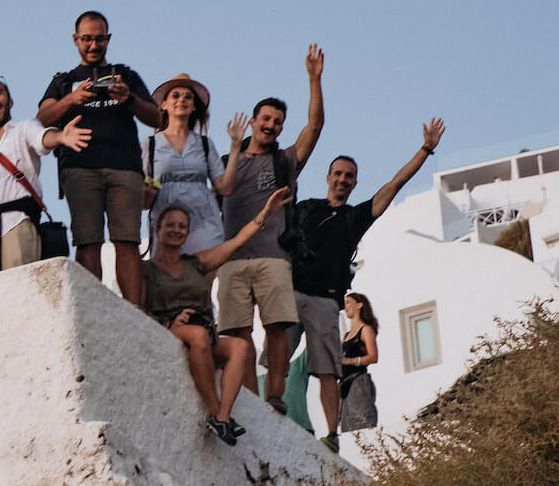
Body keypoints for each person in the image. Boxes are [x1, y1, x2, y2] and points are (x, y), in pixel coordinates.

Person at [286, 120, 445, 449]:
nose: (343, 179)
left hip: (325, 299)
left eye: (349, 176)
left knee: (327, 369)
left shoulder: (355, 217)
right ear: (328, 177)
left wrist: (426, 150)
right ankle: (266, 407)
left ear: (355, 183)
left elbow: (396, 183)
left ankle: (330, 435)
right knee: (276, 354)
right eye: (338, 173)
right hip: (291, 292)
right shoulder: (306, 209)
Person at [213, 44, 327, 415]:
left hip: (274, 257)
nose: (271, 125)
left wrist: (313, 79)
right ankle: (247, 397)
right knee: (237, 333)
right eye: (265, 118)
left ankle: (274, 397)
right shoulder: (228, 159)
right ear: (253, 121)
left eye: (277, 121)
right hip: (232, 258)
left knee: (277, 328)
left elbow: (315, 127)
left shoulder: (286, 161)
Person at [36, 11, 164, 305]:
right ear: (75, 40)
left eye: (99, 38)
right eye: (87, 39)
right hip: (79, 167)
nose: (93, 45)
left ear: (108, 38)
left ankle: (134, 312)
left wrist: (128, 98)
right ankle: (90, 309)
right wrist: (72, 98)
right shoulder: (63, 80)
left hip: (125, 168)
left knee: (127, 241)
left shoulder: (126, 75)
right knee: (87, 241)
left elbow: (157, 117)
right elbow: (41, 119)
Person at [144, 192, 291, 446]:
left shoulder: (195, 263)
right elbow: (138, 305)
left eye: (182, 226)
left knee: (240, 346)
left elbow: (236, 242)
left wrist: (264, 215)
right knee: (198, 336)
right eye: (170, 225)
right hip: (171, 326)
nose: (176, 230)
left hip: (202, 328)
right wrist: (167, 323)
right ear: (157, 230)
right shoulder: (146, 269)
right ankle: (214, 411)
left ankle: (223, 415)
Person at [0, 77, 90, 274]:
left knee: (22, 294)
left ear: (10, 102)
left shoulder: (25, 128)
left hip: (17, 225)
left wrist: (60, 137)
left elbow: (42, 138)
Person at [144, 74, 229, 254]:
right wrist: (148, 192)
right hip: (166, 219)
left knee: (201, 276)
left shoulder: (205, 144)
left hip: (204, 219)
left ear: (193, 107)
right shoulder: (150, 144)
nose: (182, 99)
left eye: (188, 97)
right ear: (164, 105)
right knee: (166, 276)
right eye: (175, 95)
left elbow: (224, 187)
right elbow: (142, 191)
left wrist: (235, 147)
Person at [338, 292, 381, 433]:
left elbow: (373, 357)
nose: (346, 306)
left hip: (358, 381)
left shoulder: (366, 329)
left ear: (359, 305)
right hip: (344, 386)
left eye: (349, 301)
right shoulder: (345, 336)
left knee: (361, 424)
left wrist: (350, 361)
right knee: (347, 427)